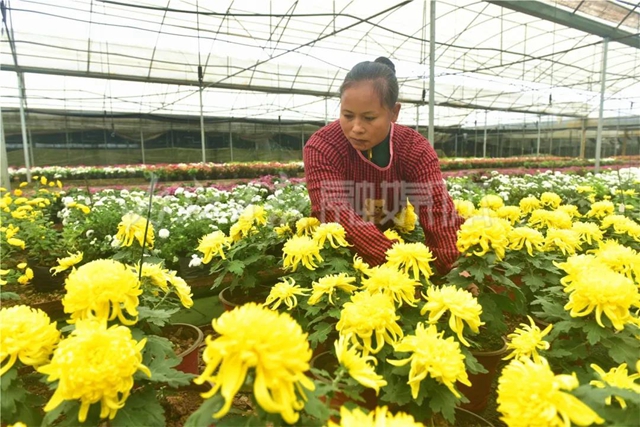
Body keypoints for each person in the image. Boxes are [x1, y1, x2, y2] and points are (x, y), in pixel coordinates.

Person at [303, 57, 463, 275]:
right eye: (347, 115)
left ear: (394, 113)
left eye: (369, 118)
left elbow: (436, 208)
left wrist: (456, 265)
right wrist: (398, 264)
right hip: (338, 253)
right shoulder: (323, 146)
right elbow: (332, 210)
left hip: (395, 236)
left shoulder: (413, 149)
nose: (356, 128)